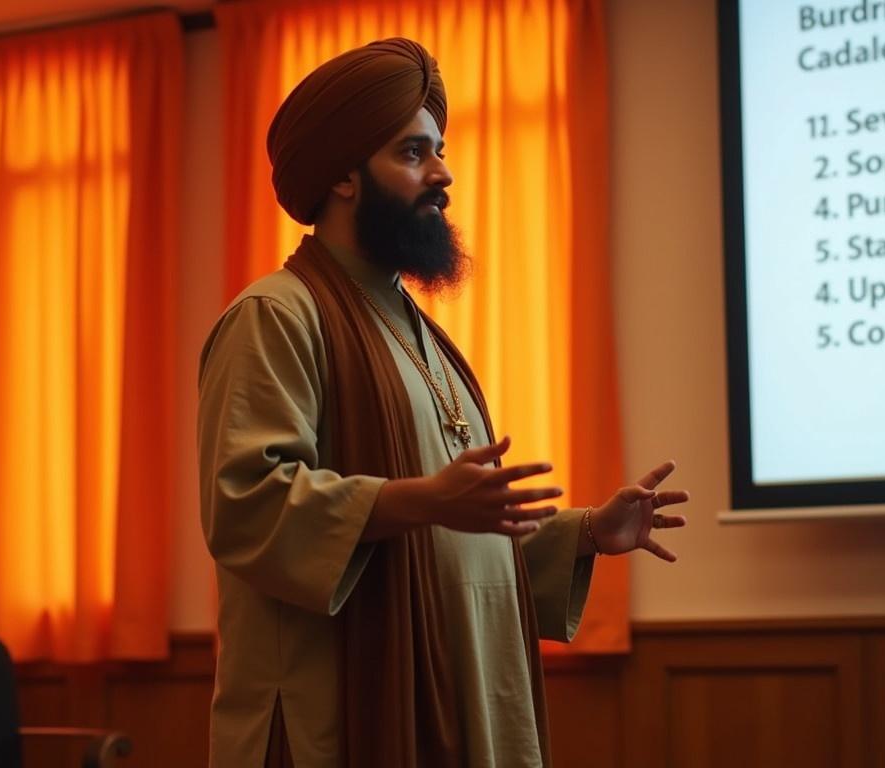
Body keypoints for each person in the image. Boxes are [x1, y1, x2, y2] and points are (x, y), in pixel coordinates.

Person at [197, 37, 688, 768]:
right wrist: (418, 501)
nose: (443, 174)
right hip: (331, 720)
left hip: (458, 703)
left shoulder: (418, 333)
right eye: (413, 153)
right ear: (342, 176)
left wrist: (583, 533)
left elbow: (451, 542)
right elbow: (247, 506)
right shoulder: (277, 316)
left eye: (440, 150)